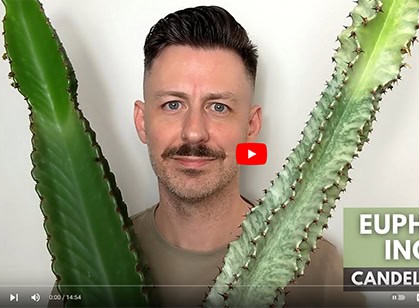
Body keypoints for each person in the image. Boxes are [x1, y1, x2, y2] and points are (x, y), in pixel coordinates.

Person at [129, 5, 360, 307]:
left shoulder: (322, 274)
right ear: (142, 121)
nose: (194, 132)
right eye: (173, 104)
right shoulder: (88, 258)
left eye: (218, 107)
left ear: (251, 126)